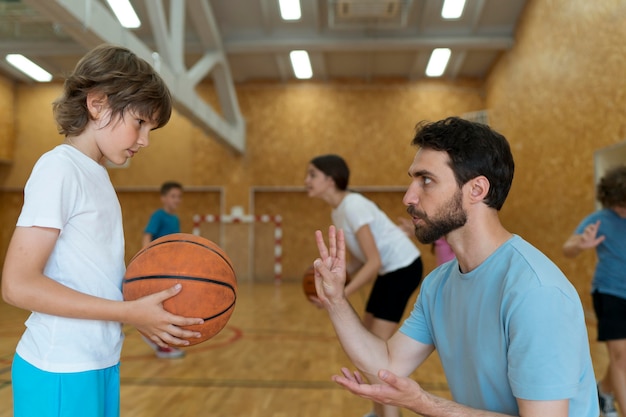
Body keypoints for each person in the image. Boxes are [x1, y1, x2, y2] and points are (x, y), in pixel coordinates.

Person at [312, 117, 598, 416]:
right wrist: (336, 300)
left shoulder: (536, 292)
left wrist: (424, 403)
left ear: (476, 190)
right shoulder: (438, 285)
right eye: (413, 180)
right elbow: (387, 363)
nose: (409, 197)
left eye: (426, 180)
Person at [1, 44, 204, 417]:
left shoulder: (97, 176)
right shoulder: (58, 169)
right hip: (59, 368)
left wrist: (143, 309)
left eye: (150, 129)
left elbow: (93, 276)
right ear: (97, 104)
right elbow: (17, 285)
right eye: (140, 123)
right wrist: (130, 313)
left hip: (99, 361)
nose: (144, 140)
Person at [305, 154, 423, 417]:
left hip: (403, 269)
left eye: (312, 175)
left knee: (379, 354)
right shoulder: (339, 209)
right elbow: (360, 258)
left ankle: (390, 415)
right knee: (366, 343)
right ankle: (378, 411)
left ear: (331, 179)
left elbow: (373, 261)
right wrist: (331, 282)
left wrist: (339, 295)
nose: (306, 180)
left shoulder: (353, 206)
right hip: (389, 271)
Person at [563, 165, 626, 417]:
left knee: (622, 357)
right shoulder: (599, 220)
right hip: (610, 293)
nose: (622, 211)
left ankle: (604, 391)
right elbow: (568, 248)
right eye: (619, 206)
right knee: (621, 356)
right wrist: (580, 243)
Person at [140, 181, 186, 359]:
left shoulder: (175, 219)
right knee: (161, 309)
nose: (177, 200)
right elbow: (147, 236)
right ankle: (158, 342)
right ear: (164, 198)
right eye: (173, 196)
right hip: (156, 269)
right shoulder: (158, 216)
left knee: (171, 308)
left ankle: (163, 342)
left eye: (179, 196)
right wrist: (146, 260)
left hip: (170, 269)